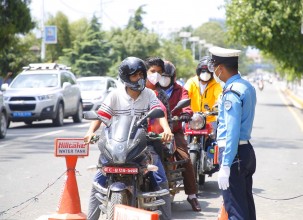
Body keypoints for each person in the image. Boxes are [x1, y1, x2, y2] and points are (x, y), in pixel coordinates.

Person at [84, 57, 174, 220]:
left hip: (142, 146)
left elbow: (158, 112)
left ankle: (167, 218)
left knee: (160, 179)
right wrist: (90, 131)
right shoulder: (115, 95)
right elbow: (101, 115)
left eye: (141, 74)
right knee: (97, 182)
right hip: (115, 146)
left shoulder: (148, 94)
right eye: (135, 75)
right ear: (125, 76)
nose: (140, 78)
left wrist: (167, 129)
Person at [208, 46, 257, 220]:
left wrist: (226, 164)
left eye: (214, 67)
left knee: (235, 209)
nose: (213, 71)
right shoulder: (246, 86)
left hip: (234, 154)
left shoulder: (231, 92)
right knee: (246, 205)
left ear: (220, 68)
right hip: (245, 152)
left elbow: (231, 131)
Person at [155, 59, 202, 212]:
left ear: (173, 78)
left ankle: (192, 195)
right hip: (154, 132)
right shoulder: (151, 89)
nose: (162, 79)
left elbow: (186, 105)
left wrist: (186, 114)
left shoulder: (180, 90)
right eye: (160, 76)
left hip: (174, 131)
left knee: (185, 159)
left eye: (165, 76)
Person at [184, 56, 222, 130]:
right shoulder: (191, 82)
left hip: (210, 120)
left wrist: (217, 107)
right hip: (192, 119)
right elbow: (184, 95)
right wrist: (185, 110)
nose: (206, 73)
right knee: (181, 134)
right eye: (203, 71)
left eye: (208, 71)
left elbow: (219, 96)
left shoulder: (216, 84)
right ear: (199, 71)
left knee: (216, 136)